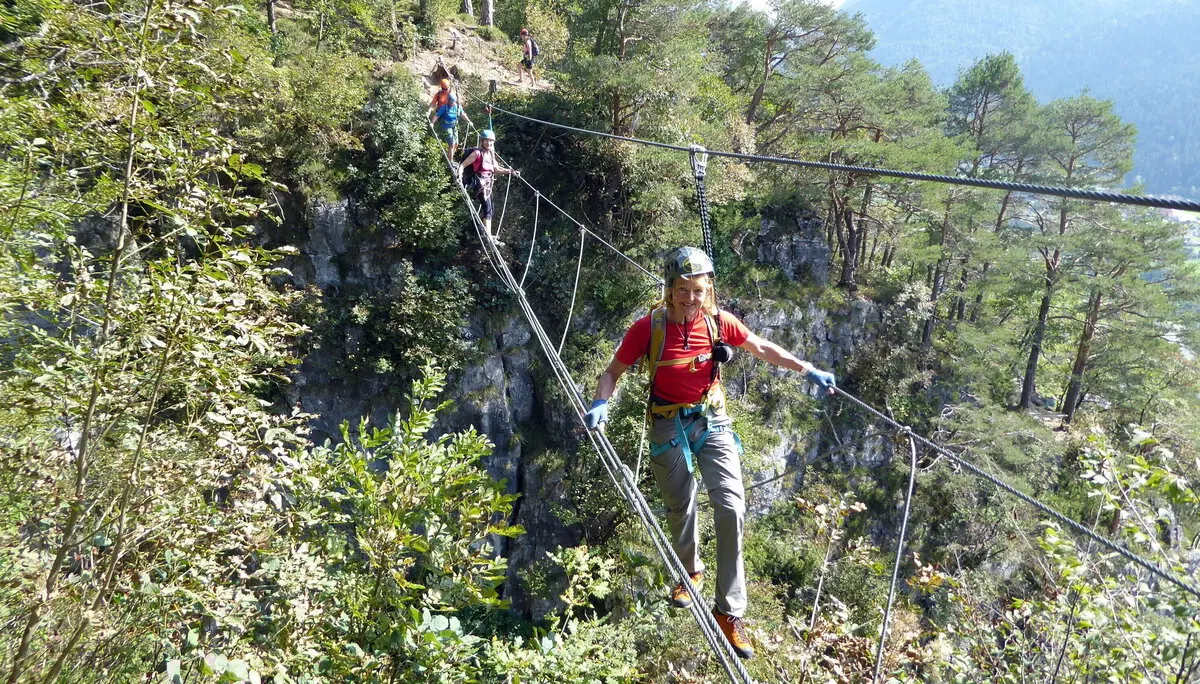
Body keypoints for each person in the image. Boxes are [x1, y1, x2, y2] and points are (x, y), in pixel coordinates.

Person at [583, 247, 837, 660]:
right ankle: (690, 572)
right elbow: (613, 372)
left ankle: (729, 612)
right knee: (680, 506)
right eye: (681, 290)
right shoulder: (648, 328)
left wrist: (807, 369)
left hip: (712, 418)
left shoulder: (719, 322)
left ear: (709, 289)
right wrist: (601, 402)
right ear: (668, 290)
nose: (689, 298)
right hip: (667, 421)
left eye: (697, 290)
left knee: (731, 506)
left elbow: (761, 346)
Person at [457, 129, 519, 242]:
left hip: (488, 184)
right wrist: (459, 176)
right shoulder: (476, 153)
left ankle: (487, 233)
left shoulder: (491, 153)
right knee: (488, 209)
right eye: (486, 141)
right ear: (482, 141)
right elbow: (462, 165)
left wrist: (510, 171)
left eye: (491, 141)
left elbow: (496, 169)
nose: (488, 143)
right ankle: (489, 236)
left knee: (491, 209)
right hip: (480, 184)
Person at [430, 92, 471, 160]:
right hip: (446, 127)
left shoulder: (458, 107)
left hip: (454, 126)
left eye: (453, 102)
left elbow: (463, 115)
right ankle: (450, 161)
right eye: (451, 102)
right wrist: (432, 122)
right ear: (448, 100)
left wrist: (469, 121)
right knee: (452, 144)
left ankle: (449, 155)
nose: (452, 103)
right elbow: (437, 115)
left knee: (456, 144)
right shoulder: (444, 107)